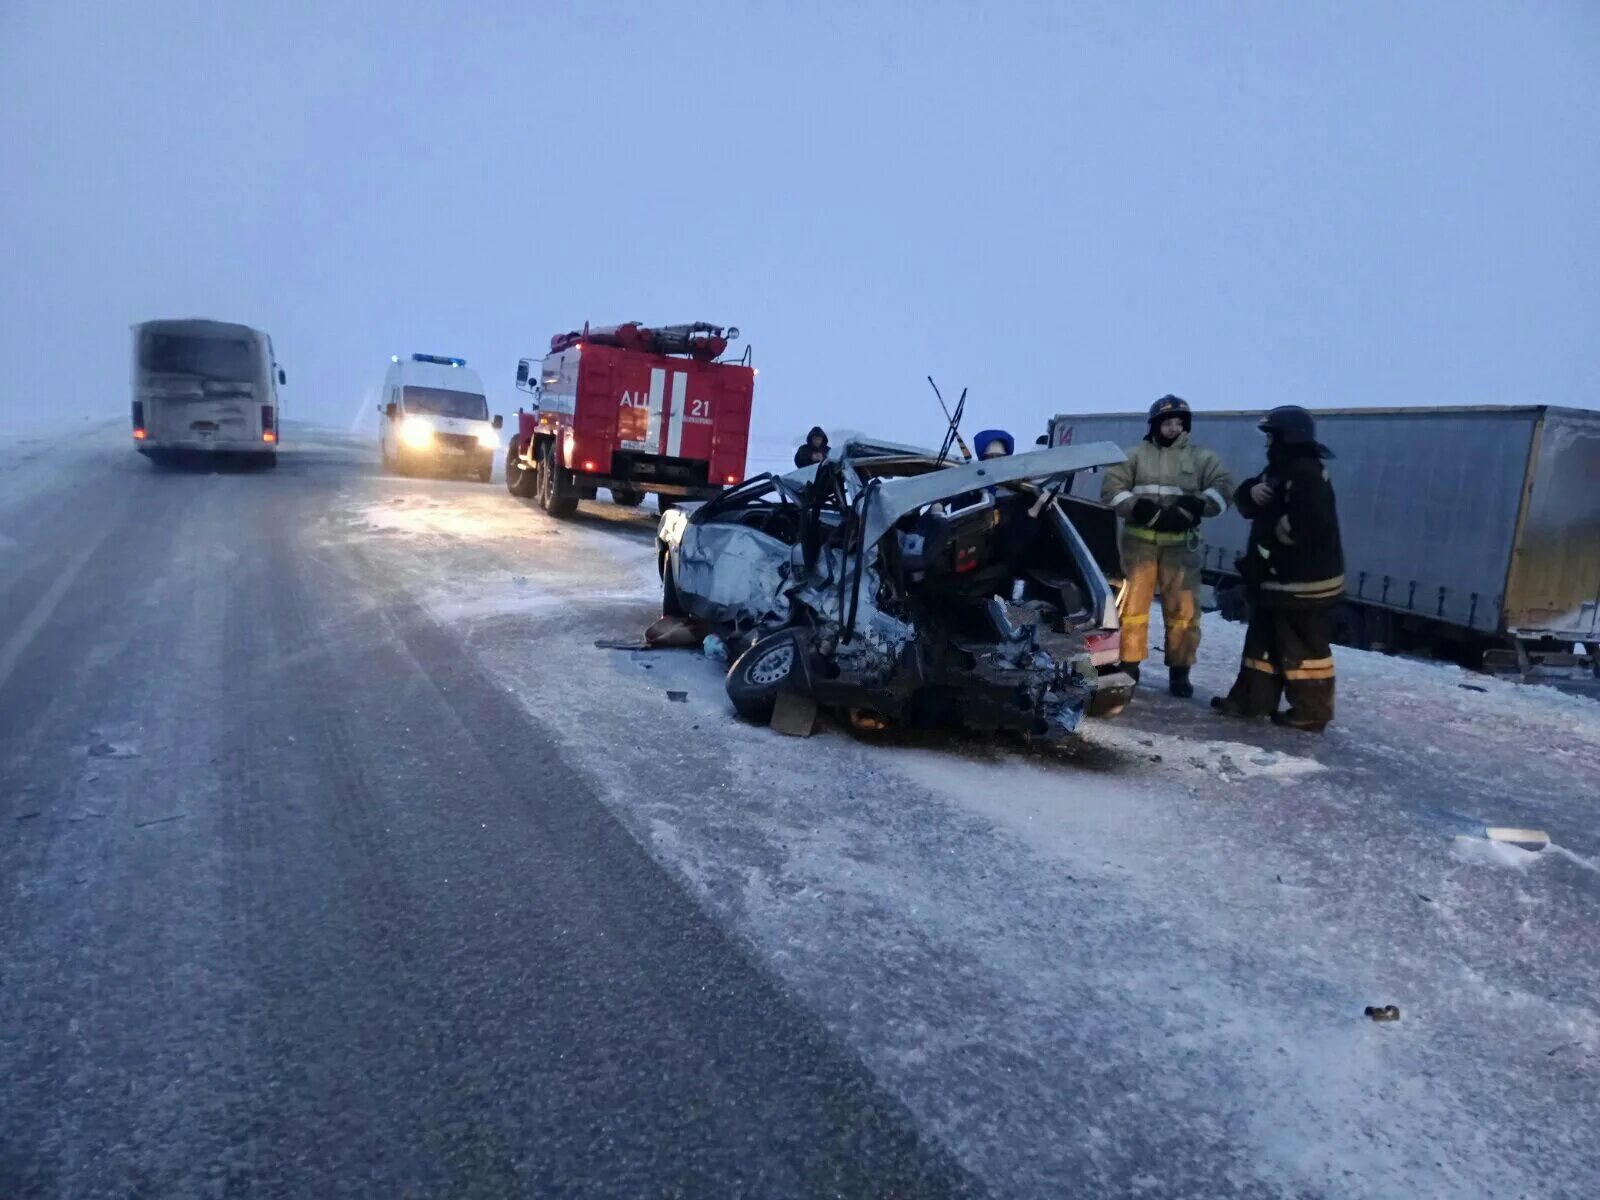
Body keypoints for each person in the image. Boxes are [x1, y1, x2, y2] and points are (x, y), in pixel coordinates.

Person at [1213, 405, 1344, 731]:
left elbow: (1307, 525)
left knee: (1305, 651)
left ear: (1288, 436)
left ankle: (1311, 713)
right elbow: (1247, 498)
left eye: (1271, 436)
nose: (1267, 443)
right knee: (1263, 643)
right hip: (1276, 583)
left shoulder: (1306, 472)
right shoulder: (1280, 469)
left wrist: (1270, 546)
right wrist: (1250, 492)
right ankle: (1249, 702)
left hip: (1302, 586)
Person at [1100, 395, 1234, 698]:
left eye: (1178, 423)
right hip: (1138, 545)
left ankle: (1180, 671)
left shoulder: (1202, 459)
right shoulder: (1134, 456)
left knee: (1184, 611)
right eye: (1167, 422)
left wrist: (1194, 507)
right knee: (1132, 609)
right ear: (1155, 425)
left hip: (1181, 548)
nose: (1173, 428)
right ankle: (1130, 665)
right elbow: (1111, 490)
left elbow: (1224, 489)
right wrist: (1140, 509)